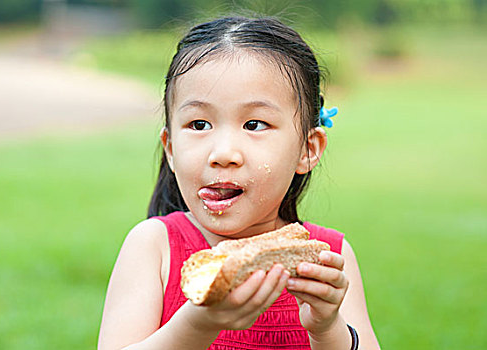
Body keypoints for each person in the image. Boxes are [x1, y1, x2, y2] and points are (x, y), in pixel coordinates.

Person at [98, 16, 380, 350]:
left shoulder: (327, 256)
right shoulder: (155, 246)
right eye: (199, 124)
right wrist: (198, 325)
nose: (223, 153)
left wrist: (327, 327)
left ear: (307, 149)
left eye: (255, 124)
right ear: (171, 148)